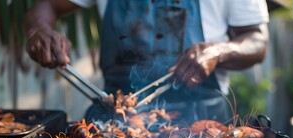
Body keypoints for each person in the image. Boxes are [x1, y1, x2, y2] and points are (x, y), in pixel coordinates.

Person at [23, 0, 270, 125]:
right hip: (113, 116)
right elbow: (45, 6)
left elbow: (257, 40)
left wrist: (219, 50)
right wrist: (39, 30)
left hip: (201, 118)